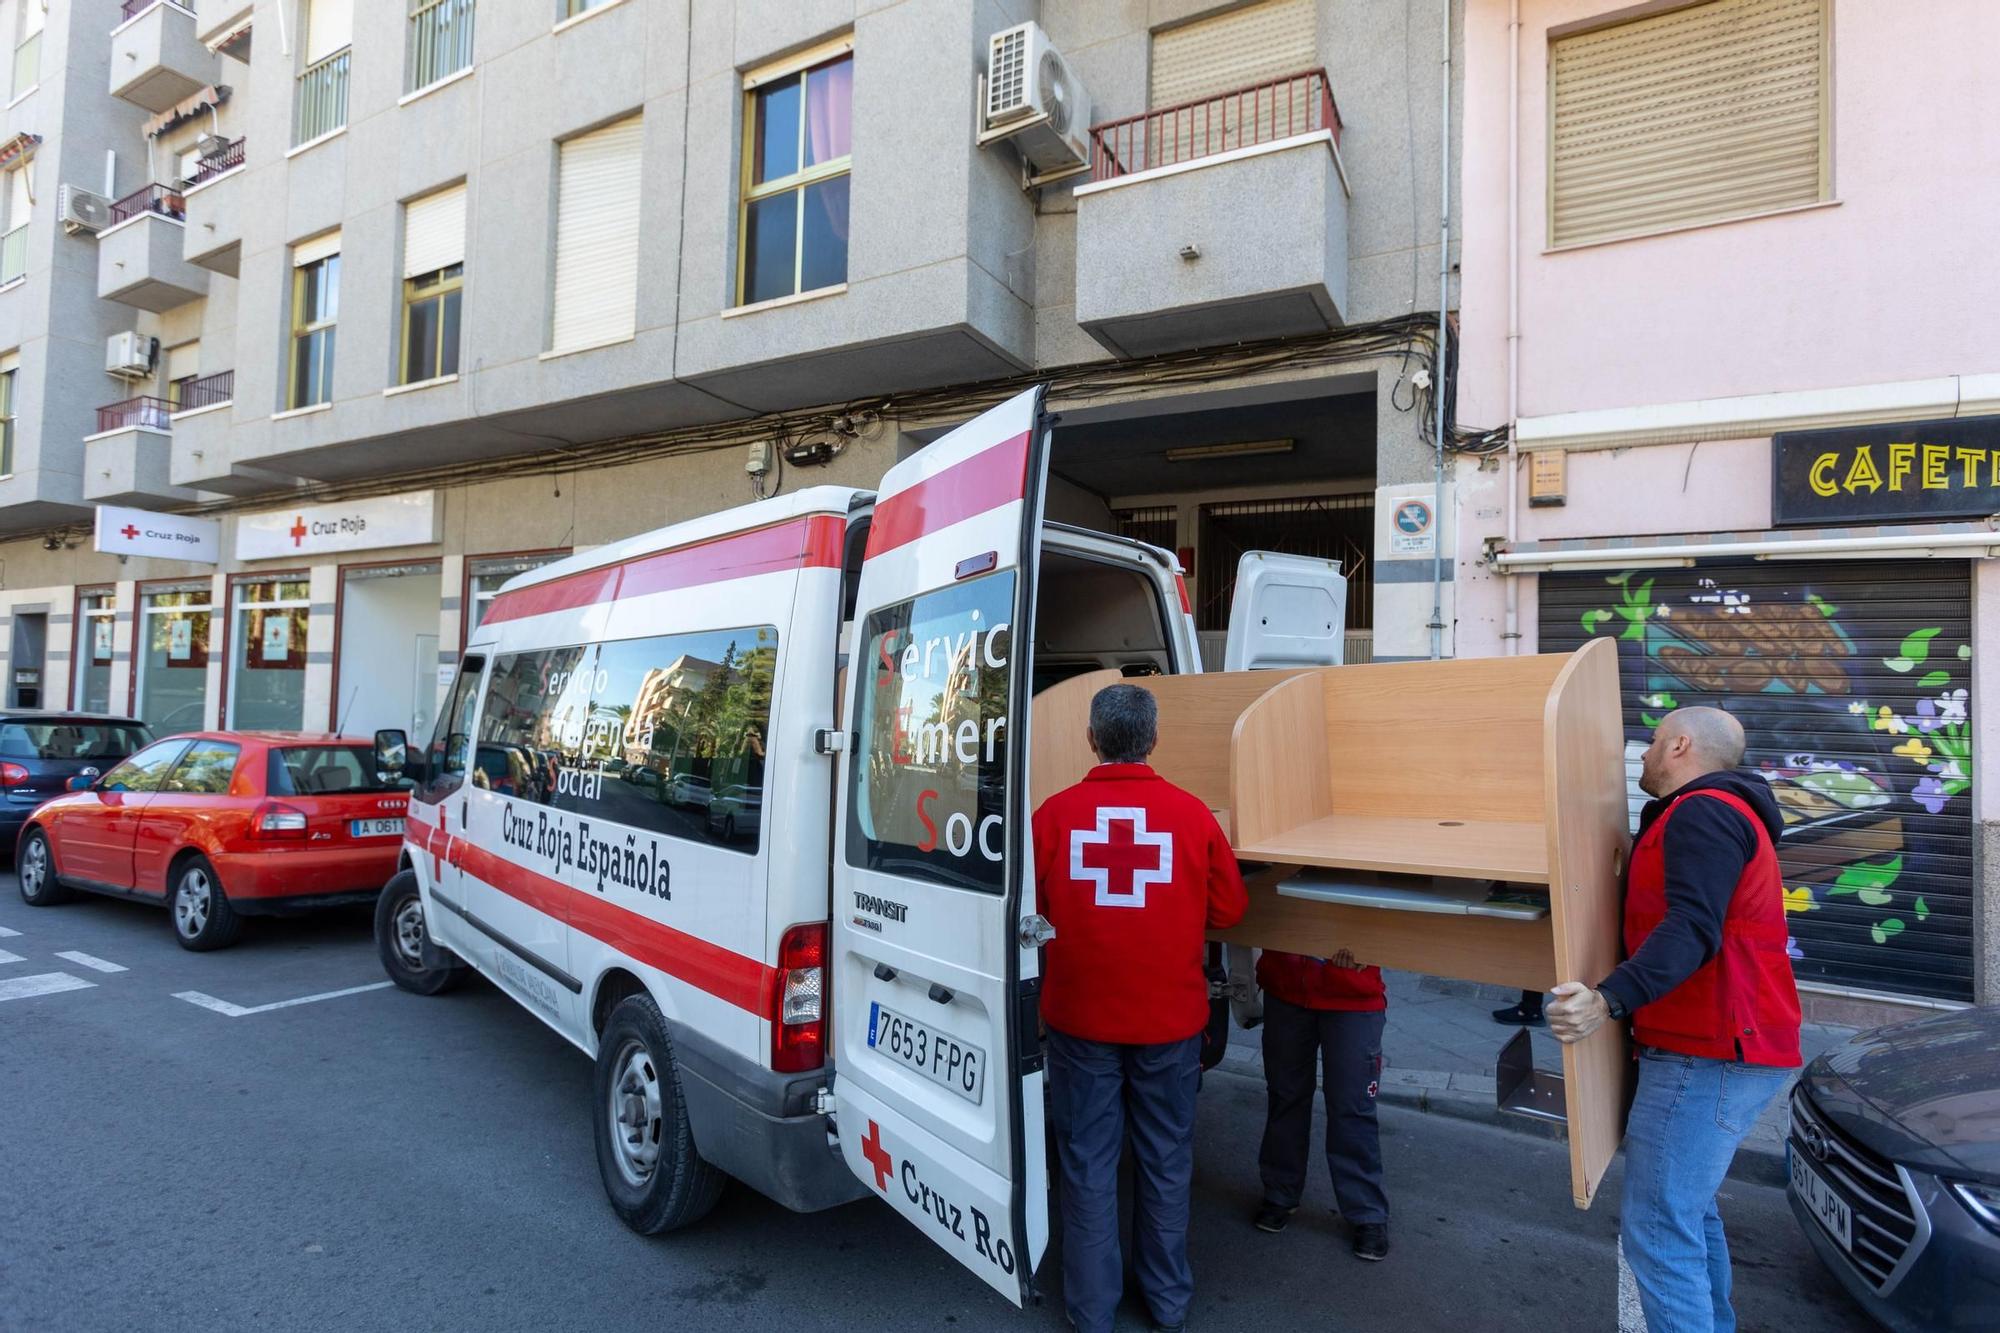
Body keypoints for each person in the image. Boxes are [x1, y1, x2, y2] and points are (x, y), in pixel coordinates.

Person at [1546, 707, 1800, 1333]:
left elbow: (1691, 927)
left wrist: (1608, 999)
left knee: (1660, 1232)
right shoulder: (1711, 813)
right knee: (1689, 1218)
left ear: (1682, 745)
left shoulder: (1704, 812)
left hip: (1707, 1053)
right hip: (1718, 1048)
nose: (1644, 754)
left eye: (1654, 742)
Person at [1033, 683, 1248, 1333]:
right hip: (1170, 1026)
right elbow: (1231, 912)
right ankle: (1167, 1299)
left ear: (1092, 739)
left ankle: (1091, 1310)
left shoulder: (1052, 815)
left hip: (1079, 1022)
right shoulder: (1191, 816)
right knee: (1164, 1159)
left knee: (1089, 1163)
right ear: (1153, 739)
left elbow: (1026, 910)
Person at [1252, 947, 1390, 1261]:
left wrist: (1370, 942)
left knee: (1352, 1108)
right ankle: (1280, 1191)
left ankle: (1367, 1212)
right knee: (1285, 1096)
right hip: (1285, 988)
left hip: (1352, 992)